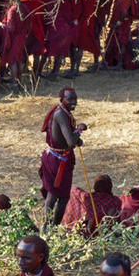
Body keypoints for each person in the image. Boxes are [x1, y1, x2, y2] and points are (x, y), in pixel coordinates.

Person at [39, 87, 87, 225]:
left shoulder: (64, 113)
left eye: (75, 99)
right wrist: (80, 129)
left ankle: (52, 228)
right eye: (69, 99)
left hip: (60, 157)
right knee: (55, 195)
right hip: (57, 160)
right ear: (62, 99)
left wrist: (77, 138)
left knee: (61, 196)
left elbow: (68, 138)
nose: (74, 102)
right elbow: (70, 141)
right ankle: (47, 229)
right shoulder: (60, 114)